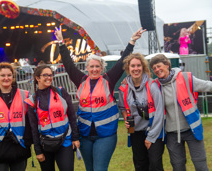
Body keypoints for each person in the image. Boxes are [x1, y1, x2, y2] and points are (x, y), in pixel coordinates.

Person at [54, 25, 146, 171]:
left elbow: (122, 62)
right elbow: (68, 65)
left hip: (106, 135)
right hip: (85, 135)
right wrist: (61, 43)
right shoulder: (81, 80)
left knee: (99, 169)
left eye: (97, 66)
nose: (94, 69)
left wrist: (131, 42)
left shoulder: (108, 80)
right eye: (91, 66)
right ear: (87, 68)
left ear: (102, 68)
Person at [149, 54, 212, 171]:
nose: (157, 70)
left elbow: (207, 85)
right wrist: (127, 82)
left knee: (200, 165)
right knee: (177, 166)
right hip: (172, 134)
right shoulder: (155, 85)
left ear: (167, 65)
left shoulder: (185, 78)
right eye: (154, 68)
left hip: (192, 129)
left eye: (159, 66)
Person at [24, 65, 80, 171]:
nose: (49, 78)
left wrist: (75, 137)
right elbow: (34, 128)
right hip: (45, 144)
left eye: (50, 75)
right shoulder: (32, 101)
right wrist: (38, 150)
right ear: (37, 78)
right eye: (45, 75)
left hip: (65, 141)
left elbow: (72, 116)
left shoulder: (61, 92)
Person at [0, 62, 32, 171]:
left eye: (9, 75)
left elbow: (29, 121)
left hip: (19, 145)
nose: (6, 78)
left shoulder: (25, 95)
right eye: (2, 75)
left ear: (13, 76)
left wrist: (27, 143)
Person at [118, 53, 165, 171]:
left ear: (143, 67)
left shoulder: (152, 85)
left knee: (155, 165)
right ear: (128, 68)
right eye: (133, 66)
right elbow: (123, 108)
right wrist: (126, 119)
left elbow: (159, 112)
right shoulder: (124, 88)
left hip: (154, 129)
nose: (136, 69)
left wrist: (151, 137)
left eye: (138, 65)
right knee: (140, 165)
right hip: (136, 132)